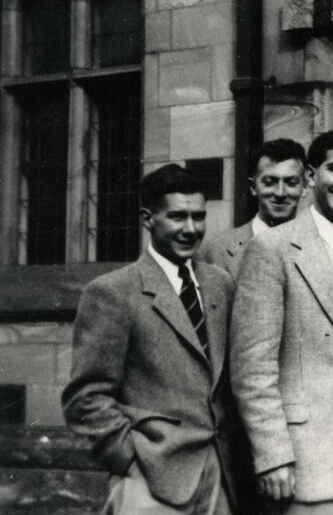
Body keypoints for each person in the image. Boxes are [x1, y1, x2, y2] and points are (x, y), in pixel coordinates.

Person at [62, 164, 241, 514]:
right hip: (152, 480)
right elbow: (85, 398)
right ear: (148, 219)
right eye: (177, 216)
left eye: (198, 216)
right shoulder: (113, 291)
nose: (191, 229)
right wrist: (130, 460)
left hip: (220, 477)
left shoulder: (220, 283)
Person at [230, 128, 333, 514]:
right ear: (311, 176)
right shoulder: (272, 248)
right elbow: (252, 367)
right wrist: (272, 455)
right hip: (306, 463)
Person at [200, 138, 307, 278]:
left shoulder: (320, 248)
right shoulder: (214, 249)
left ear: (305, 187)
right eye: (269, 182)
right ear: (253, 187)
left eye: (291, 183)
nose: (280, 193)